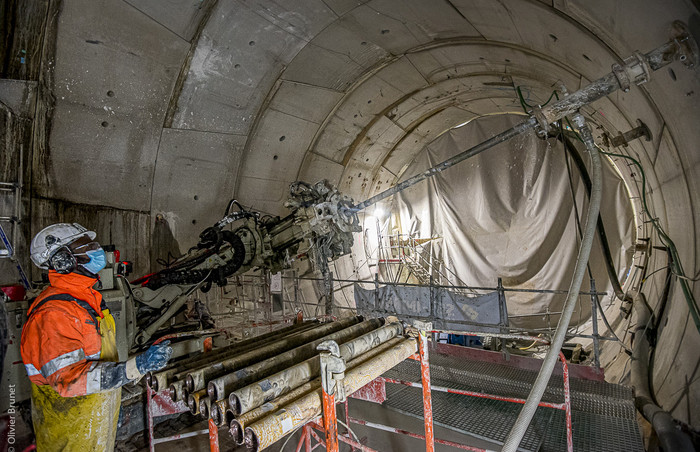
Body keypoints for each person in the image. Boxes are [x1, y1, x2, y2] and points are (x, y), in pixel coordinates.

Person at [20, 223, 172, 452]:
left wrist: (111, 405)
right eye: (85, 245)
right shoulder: (54, 314)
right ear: (64, 260)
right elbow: (70, 381)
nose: (96, 249)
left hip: (92, 423)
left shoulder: (87, 299)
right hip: (71, 435)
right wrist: (136, 367)